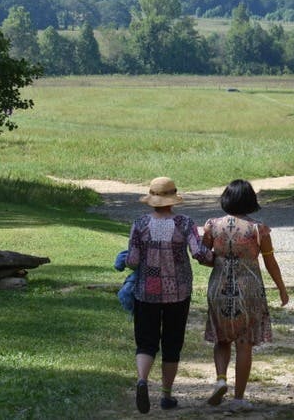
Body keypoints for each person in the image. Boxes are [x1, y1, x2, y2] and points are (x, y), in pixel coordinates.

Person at [126, 177, 213, 413]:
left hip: (146, 292)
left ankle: (142, 380)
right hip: (178, 292)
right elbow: (198, 252)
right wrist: (217, 258)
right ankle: (166, 395)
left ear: (152, 199)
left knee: (146, 342)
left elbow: (132, 261)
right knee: (172, 343)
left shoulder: (140, 223)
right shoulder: (184, 223)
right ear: (173, 199)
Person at [203, 179, 288, 412]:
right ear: (251, 201)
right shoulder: (258, 229)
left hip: (218, 287)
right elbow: (270, 261)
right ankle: (238, 398)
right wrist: (281, 287)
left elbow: (205, 255)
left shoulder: (212, 226)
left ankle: (221, 379)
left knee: (221, 337)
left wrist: (218, 259)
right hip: (249, 289)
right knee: (244, 342)